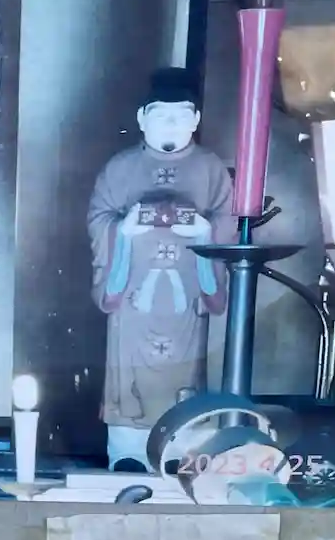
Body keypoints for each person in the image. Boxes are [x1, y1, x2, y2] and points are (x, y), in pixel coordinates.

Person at [87, 67, 234, 470]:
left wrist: (203, 231)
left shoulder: (211, 169)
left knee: (185, 375)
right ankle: (130, 453)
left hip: (186, 295)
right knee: (130, 375)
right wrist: (125, 230)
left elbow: (225, 223)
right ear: (142, 118)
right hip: (134, 296)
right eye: (161, 116)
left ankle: (181, 455)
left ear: (195, 119)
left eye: (180, 116)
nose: (170, 124)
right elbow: (99, 219)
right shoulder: (119, 168)